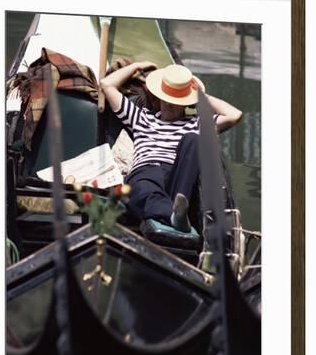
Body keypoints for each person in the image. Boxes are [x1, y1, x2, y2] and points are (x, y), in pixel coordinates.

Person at [100, 61, 242, 235]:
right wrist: (137, 66)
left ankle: (178, 208)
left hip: (177, 179)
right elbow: (107, 84)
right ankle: (174, 215)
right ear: (158, 97)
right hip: (146, 171)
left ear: (186, 103)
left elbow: (235, 115)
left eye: (176, 101)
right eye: (166, 99)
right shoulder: (141, 117)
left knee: (194, 140)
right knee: (142, 189)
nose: (168, 105)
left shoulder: (196, 123)